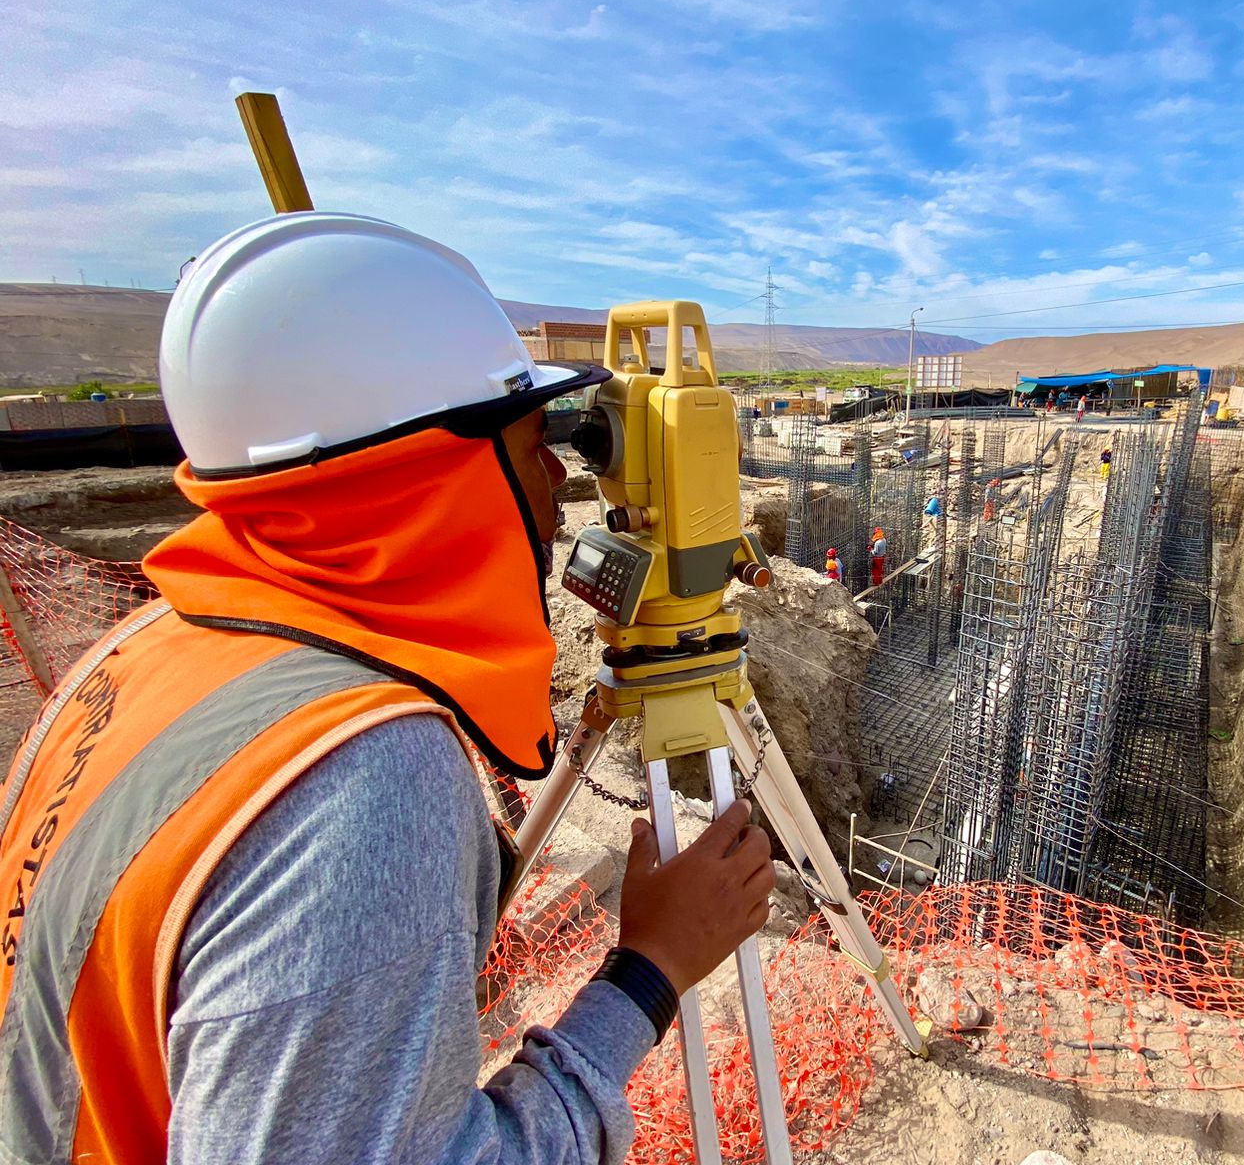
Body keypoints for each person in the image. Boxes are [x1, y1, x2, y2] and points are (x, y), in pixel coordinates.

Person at [0, 212, 775, 1165]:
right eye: (528, 437)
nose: (556, 472)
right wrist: (651, 971)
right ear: (439, 473)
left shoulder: (149, 649)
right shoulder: (363, 786)